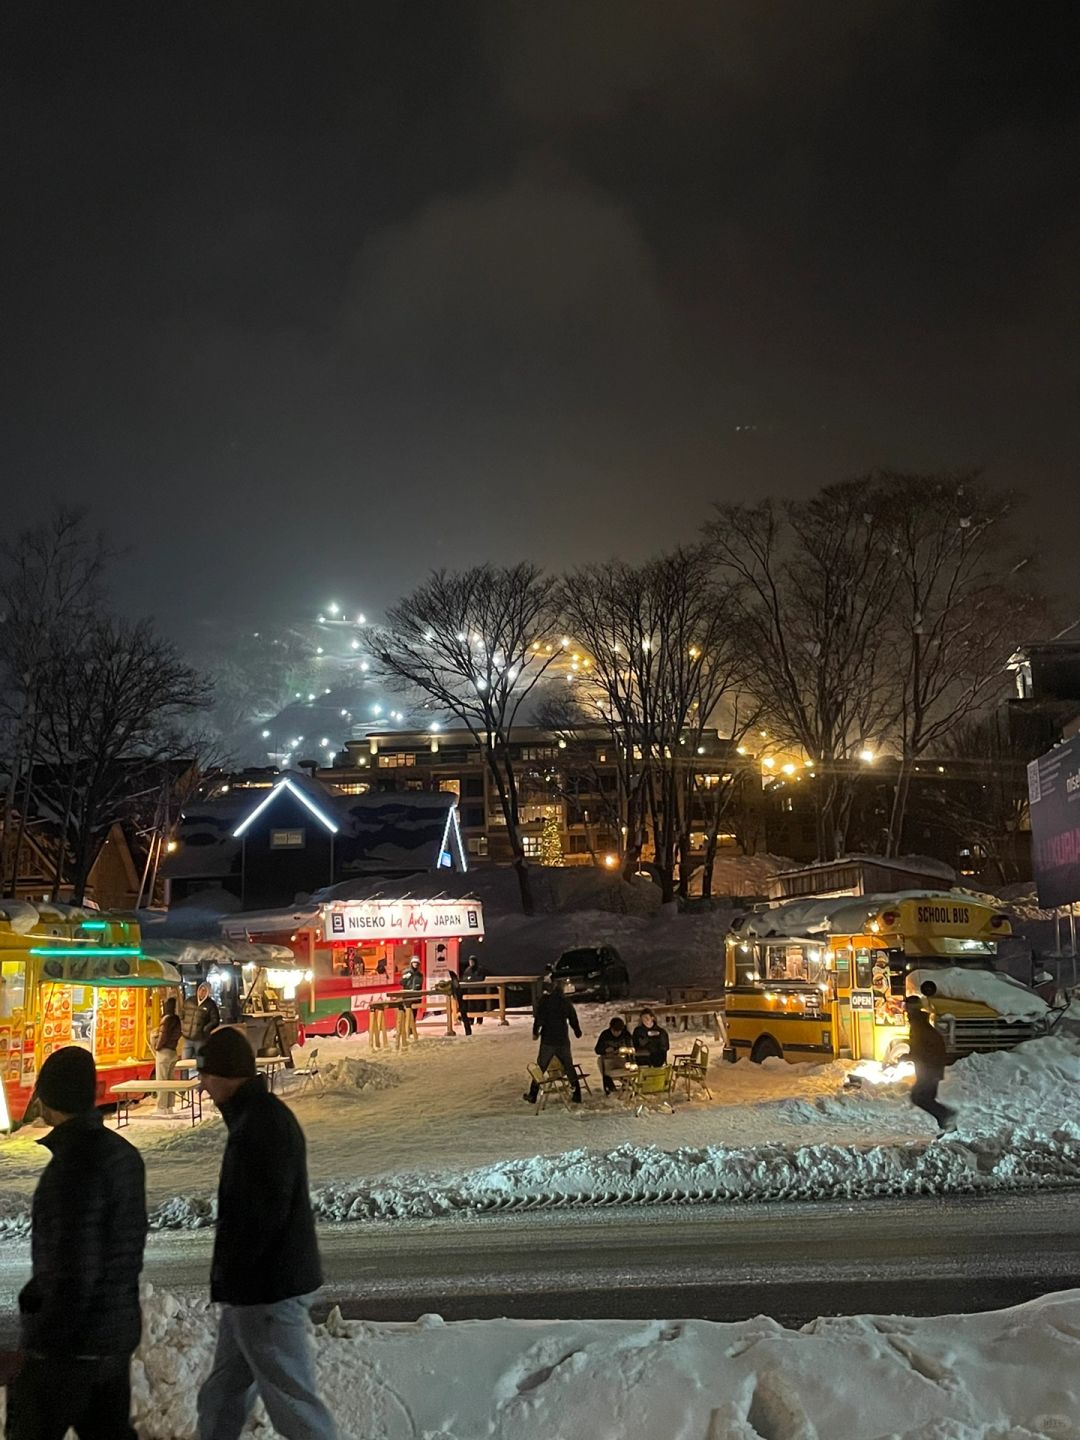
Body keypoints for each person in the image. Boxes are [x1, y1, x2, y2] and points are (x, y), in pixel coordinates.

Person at [196, 1027, 337, 1440]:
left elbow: (261, 1214)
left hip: (267, 1292)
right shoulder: (255, 1117)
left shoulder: (260, 1126)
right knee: (223, 1391)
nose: (203, 1085)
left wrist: (234, 1275)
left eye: (207, 1075)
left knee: (293, 1401)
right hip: (254, 1291)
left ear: (229, 1074)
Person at [6, 1046, 147, 1440]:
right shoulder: (124, 1156)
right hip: (114, 1336)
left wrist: (40, 1345)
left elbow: (73, 1269)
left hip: (70, 1347)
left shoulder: (71, 1167)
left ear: (52, 1098)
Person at [901, 994, 956, 1132]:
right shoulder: (920, 1024)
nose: (905, 1010)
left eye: (906, 1007)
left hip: (929, 1069)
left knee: (919, 1097)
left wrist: (908, 1056)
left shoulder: (919, 1026)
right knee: (925, 1098)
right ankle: (947, 1126)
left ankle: (947, 1117)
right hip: (930, 1068)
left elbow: (921, 1050)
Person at [525, 981, 582, 1103]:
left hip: (548, 1040)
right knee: (568, 1066)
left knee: (541, 1067)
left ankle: (533, 1094)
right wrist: (577, 1031)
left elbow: (539, 1018)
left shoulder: (545, 1001)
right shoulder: (565, 1002)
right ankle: (577, 1094)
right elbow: (573, 1017)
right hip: (562, 1039)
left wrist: (535, 1032)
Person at [154, 995, 183, 1114]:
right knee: (170, 1080)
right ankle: (170, 1106)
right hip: (173, 1052)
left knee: (161, 1081)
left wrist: (157, 1046)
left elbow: (163, 1036)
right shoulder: (177, 1020)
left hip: (164, 1052)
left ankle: (162, 1108)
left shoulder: (166, 1020)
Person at [181, 982, 221, 1062]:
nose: (202, 992)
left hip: (200, 1039)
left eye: (204, 990)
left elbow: (215, 1020)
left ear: (208, 992)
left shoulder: (211, 1004)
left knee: (200, 1061)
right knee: (184, 1062)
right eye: (201, 990)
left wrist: (205, 1029)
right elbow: (181, 1015)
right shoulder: (189, 1001)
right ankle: (184, 1075)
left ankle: (201, 1075)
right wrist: (183, 1027)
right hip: (187, 1038)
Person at [594, 1015, 633, 1094]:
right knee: (601, 1062)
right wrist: (605, 1050)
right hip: (608, 1059)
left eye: (618, 1031)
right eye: (614, 1031)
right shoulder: (605, 1035)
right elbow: (597, 1050)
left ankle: (627, 1085)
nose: (616, 1033)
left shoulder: (626, 1035)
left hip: (622, 1059)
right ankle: (610, 1088)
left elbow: (631, 1048)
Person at [462, 954, 488, 1023]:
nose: (471, 963)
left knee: (479, 1006)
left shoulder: (480, 969)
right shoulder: (467, 970)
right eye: (470, 961)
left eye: (472, 961)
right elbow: (464, 979)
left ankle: (479, 1020)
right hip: (470, 991)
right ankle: (471, 1020)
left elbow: (481, 978)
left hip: (479, 991)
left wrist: (471, 978)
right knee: (471, 1006)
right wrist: (471, 979)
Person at [447, 969, 473, 1037]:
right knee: (464, 1016)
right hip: (459, 999)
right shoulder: (454, 979)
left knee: (464, 1015)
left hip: (460, 1000)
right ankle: (468, 1031)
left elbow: (456, 988)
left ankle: (468, 1032)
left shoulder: (454, 980)